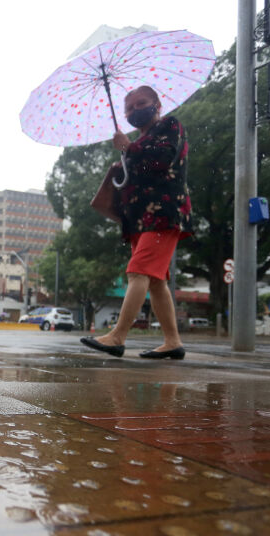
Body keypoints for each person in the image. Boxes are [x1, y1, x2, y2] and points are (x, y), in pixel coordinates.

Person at [81, 85, 191, 360]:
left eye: (141, 104)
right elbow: (138, 173)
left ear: (157, 104)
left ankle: (117, 337)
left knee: (138, 272)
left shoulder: (169, 125)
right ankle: (172, 341)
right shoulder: (140, 140)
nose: (134, 111)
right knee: (155, 281)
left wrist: (129, 148)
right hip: (139, 220)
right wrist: (124, 158)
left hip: (162, 213)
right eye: (129, 108)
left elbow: (163, 158)